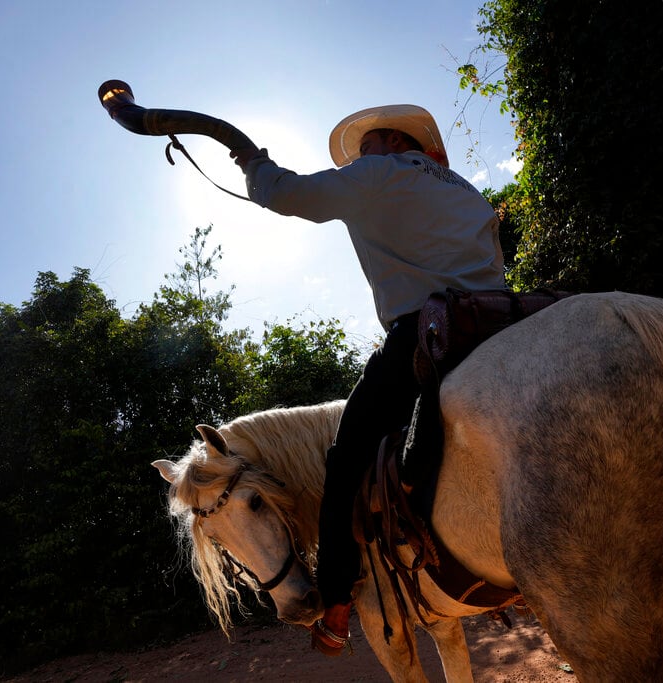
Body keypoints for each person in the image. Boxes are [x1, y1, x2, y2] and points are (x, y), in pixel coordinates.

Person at [231, 104, 506, 656]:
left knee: (345, 458)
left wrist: (251, 162)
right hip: (499, 322)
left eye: (365, 147)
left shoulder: (380, 173)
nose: (360, 158)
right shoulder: (468, 192)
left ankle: (334, 601)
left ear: (387, 140)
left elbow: (289, 194)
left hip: (427, 333)